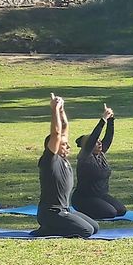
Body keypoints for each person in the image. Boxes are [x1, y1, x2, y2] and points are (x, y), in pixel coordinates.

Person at [33, 94, 98, 238]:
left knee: (95, 227)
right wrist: (54, 109)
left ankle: (57, 225)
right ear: (53, 147)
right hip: (50, 214)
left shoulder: (62, 158)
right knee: (86, 231)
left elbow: (64, 127)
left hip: (65, 210)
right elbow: (56, 133)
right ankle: (49, 228)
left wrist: (62, 110)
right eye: (63, 144)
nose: (68, 145)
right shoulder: (50, 160)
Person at [71, 103, 126, 220]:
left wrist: (111, 120)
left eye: (100, 142)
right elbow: (93, 138)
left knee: (121, 210)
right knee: (110, 213)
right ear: (89, 145)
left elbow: (109, 137)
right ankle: (83, 212)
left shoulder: (100, 154)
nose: (100, 143)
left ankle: (98, 207)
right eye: (97, 142)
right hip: (84, 198)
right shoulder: (85, 156)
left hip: (100, 196)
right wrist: (103, 120)